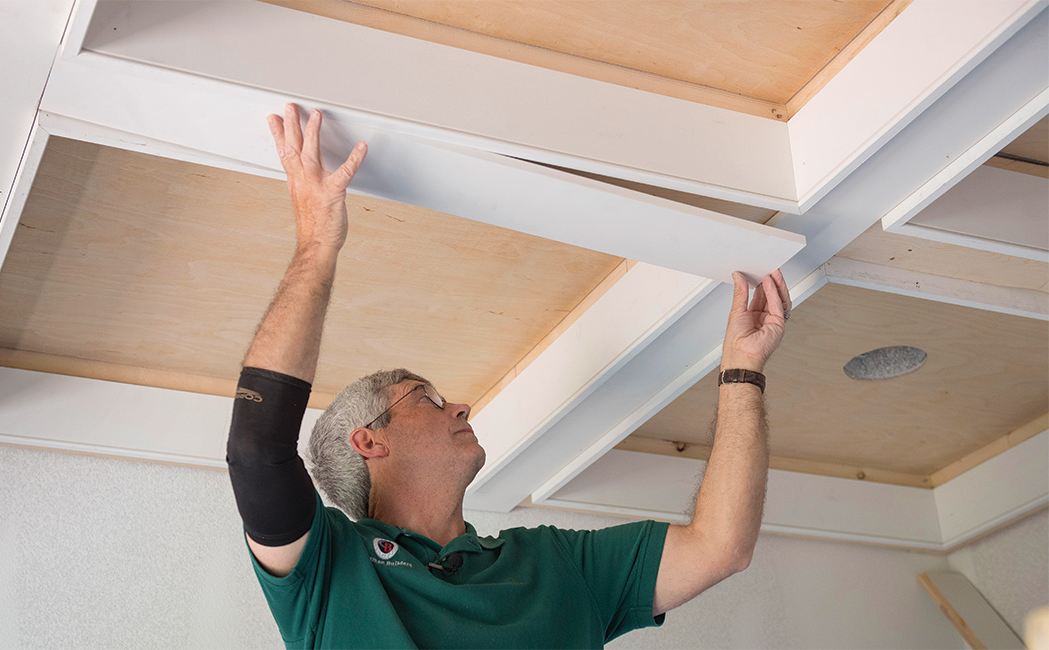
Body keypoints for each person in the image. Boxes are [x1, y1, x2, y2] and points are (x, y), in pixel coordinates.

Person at [226, 103, 792, 649]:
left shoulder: (556, 566)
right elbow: (257, 450)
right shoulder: (327, 570)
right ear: (370, 439)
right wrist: (317, 242)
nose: (461, 407)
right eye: (428, 399)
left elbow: (721, 548)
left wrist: (742, 372)